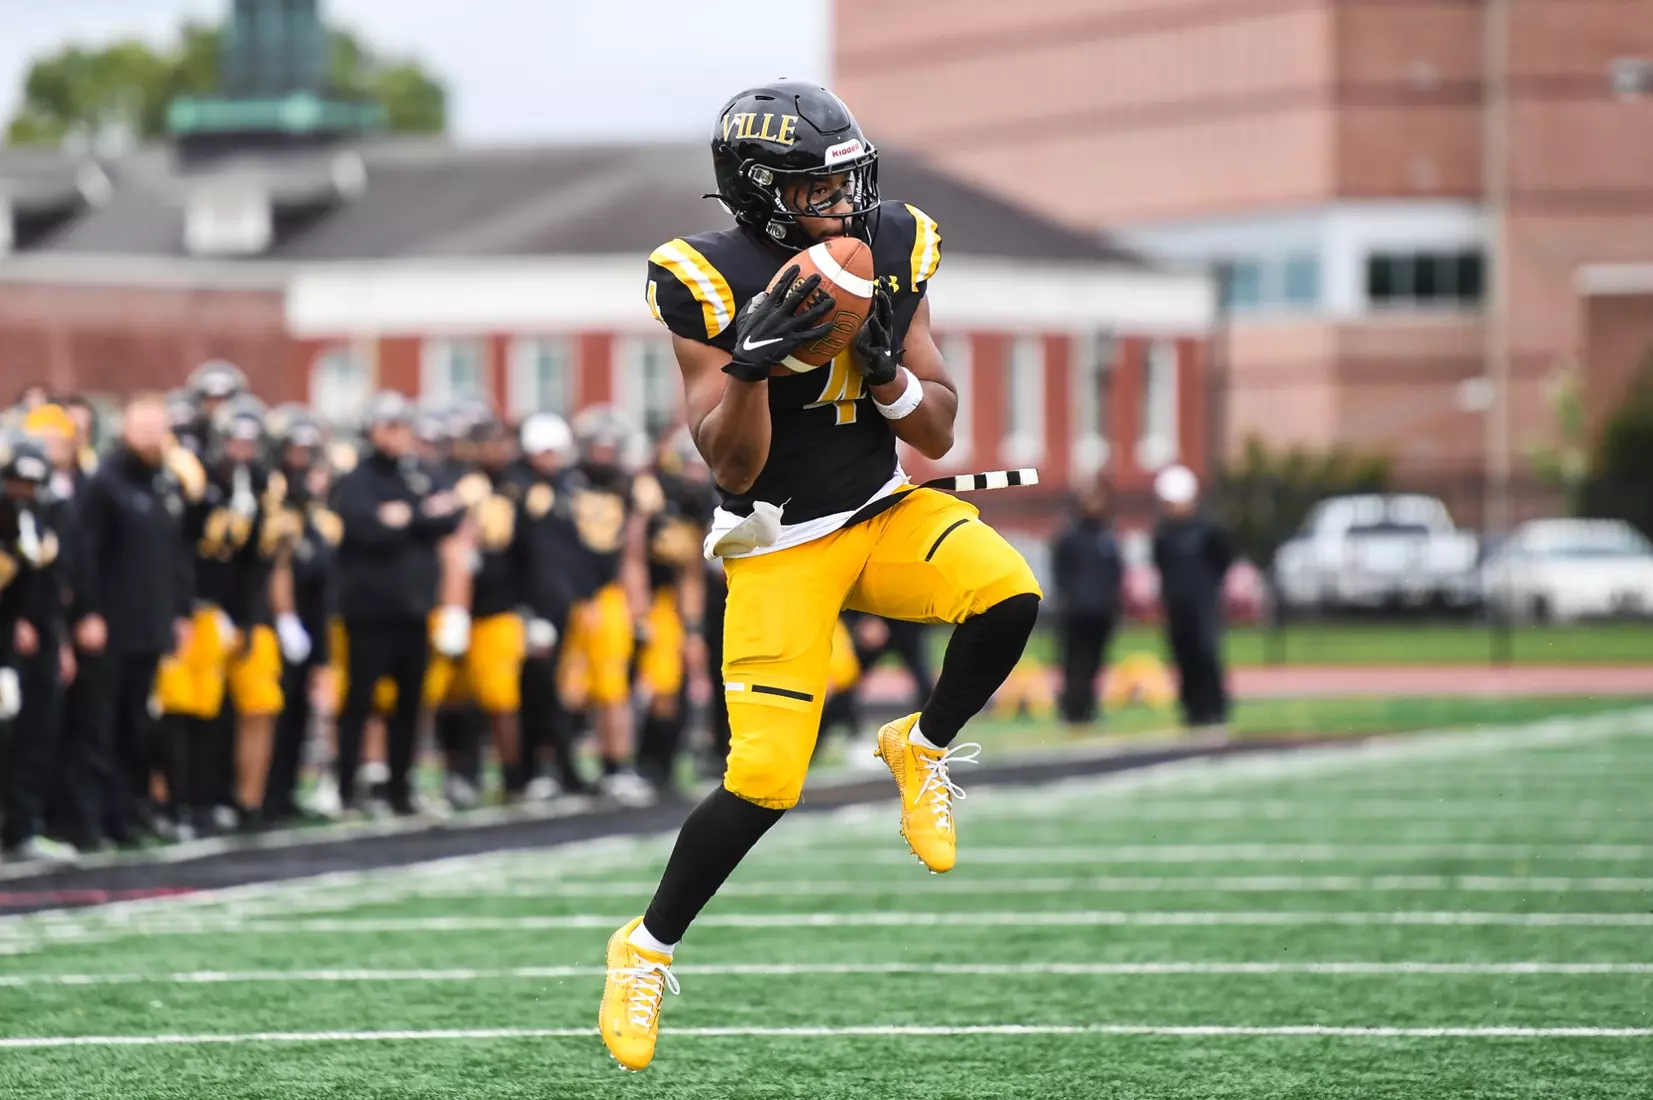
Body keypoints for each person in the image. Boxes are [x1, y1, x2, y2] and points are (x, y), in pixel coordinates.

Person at [599, 80, 1043, 1071]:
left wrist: (886, 367)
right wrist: (753, 365)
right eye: (816, 185)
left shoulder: (892, 242)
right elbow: (732, 464)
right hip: (779, 540)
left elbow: (938, 425)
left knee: (1008, 587)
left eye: (848, 176)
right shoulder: (703, 277)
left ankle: (919, 744)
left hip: (880, 508)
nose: (844, 199)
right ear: (759, 192)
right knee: (763, 779)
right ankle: (645, 945)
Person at [331, 391, 464, 815]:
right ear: (372, 431)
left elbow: (451, 515)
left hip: (414, 608)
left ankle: (400, 789)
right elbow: (366, 528)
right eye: (390, 427)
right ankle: (346, 787)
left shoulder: (418, 474)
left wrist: (406, 515)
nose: (399, 436)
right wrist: (418, 515)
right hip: (369, 610)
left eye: (403, 427)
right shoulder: (357, 479)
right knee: (360, 701)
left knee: (410, 704)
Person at [74, 394, 198, 847]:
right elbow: (85, 551)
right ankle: (91, 821)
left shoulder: (167, 482)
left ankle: (125, 815)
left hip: (150, 623)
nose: (149, 438)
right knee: (99, 726)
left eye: (156, 429)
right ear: (125, 430)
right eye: (141, 429)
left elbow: (177, 554)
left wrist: (179, 612)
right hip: (110, 624)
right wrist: (87, 609)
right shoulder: (104, 483)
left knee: (135, 725)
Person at [557, 405, 656, 807]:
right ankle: (563, 771)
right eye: (598, 446)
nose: (604, 453)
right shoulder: (563, 484)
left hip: (610, 595)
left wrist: (638, 607)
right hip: (569, 594)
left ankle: (617, 766)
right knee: (568, 691)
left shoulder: (627, 487)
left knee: (614, 689)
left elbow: (632, 551)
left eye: (610, 446)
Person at [0, 435, 77, 863]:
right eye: (16, 482)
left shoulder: (48, 516)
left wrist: (59, 639)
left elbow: (54, 584)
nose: (23, 492)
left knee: (38, 733)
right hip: (6, 645)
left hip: (43, 641)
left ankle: (24, 826)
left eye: (32, 483)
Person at [512, 412, 595, 798]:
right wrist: (525, 609)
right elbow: (517, 555)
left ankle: (560, 768)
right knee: (536, 690)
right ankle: (536, 769)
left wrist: (584, 595)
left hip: (562, 605)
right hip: (533, 606)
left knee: (560, 690)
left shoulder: (566, 486)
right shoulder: (518, 488)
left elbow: (575, 552)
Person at [262, 407, 337, 826]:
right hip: (278, 618)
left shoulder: (313, 501)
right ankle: (266, 794)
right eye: (296, 448)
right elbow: (277, 562)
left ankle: (286, 790)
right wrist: (284, 616)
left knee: (300, 709)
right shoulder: (274, 494)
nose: (302, 456)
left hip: (314, 610)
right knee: (277, 704)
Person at [633, 428, 715, 798]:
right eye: (690, 468)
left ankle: (660, 764)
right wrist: (638, 611)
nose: (696, 477)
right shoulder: (649, 494)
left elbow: (691, 573)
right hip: (639, 599)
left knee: (676, 682)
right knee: (650, 684)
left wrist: (693, 628)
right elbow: (630, 557)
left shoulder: (697, 504)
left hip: (671, 604)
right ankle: (634, 762)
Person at [1150, 465, 1235, 728]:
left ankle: (1214, 707)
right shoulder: (1163, 533)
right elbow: (1161, 563)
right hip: (1177, 603)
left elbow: (1223, 559)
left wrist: (1208, 587)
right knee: (1183, 654)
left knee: (1206, 652)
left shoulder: (1208, 529)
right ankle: (1192, 709)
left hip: (1203, 601)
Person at [1051, 481, 1124, 726]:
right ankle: (1072, 709)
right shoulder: (1069, 537)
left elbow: (1116, 573)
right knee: (1073, 661)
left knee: (1095, 661)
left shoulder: (1107, 538)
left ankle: (1089, 706)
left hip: (1101, 613)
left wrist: (1112, 602)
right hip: (1075, 612)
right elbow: (1060, 573)